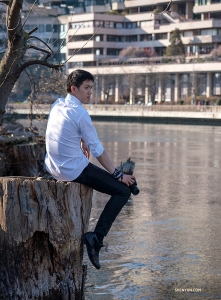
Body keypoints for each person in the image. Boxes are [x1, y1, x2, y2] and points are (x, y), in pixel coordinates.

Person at [45, 69, 136, 270]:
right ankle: (96, 238)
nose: (90, 92)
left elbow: (66, 129)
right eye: (86, 88)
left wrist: (82, 139)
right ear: (74, 89)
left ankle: (95, 238)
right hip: (72, 171)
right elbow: (99, 151)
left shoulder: (57, 104)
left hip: (52, 166)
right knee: (123, 191)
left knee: (99, 172)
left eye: (91, 88)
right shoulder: (80, 113)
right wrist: (118, 175)